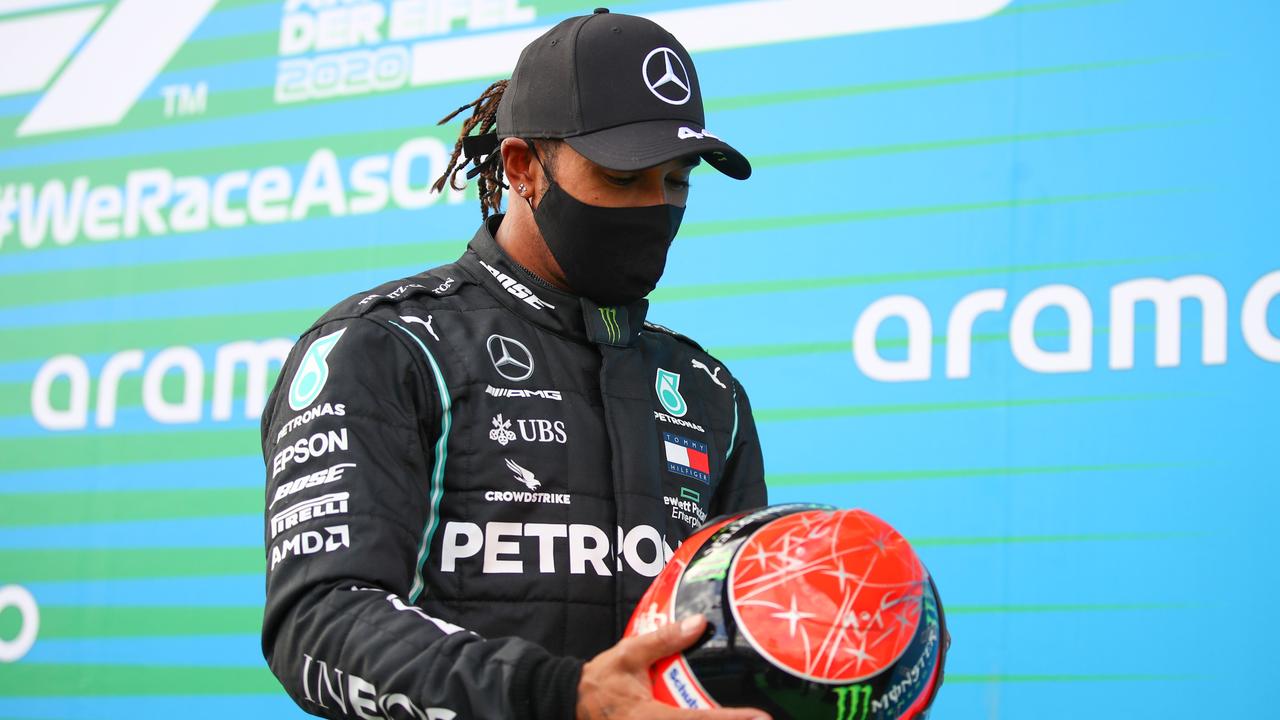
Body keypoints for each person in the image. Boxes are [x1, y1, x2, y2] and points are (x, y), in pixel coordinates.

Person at [260, 9, 768, 719]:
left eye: (677, 181)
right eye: (623, 179)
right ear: (522, 166)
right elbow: (318, 623)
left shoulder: (709, 395)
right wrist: (564, 699)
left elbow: (736, 636)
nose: (655, 206)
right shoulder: (386, 347)